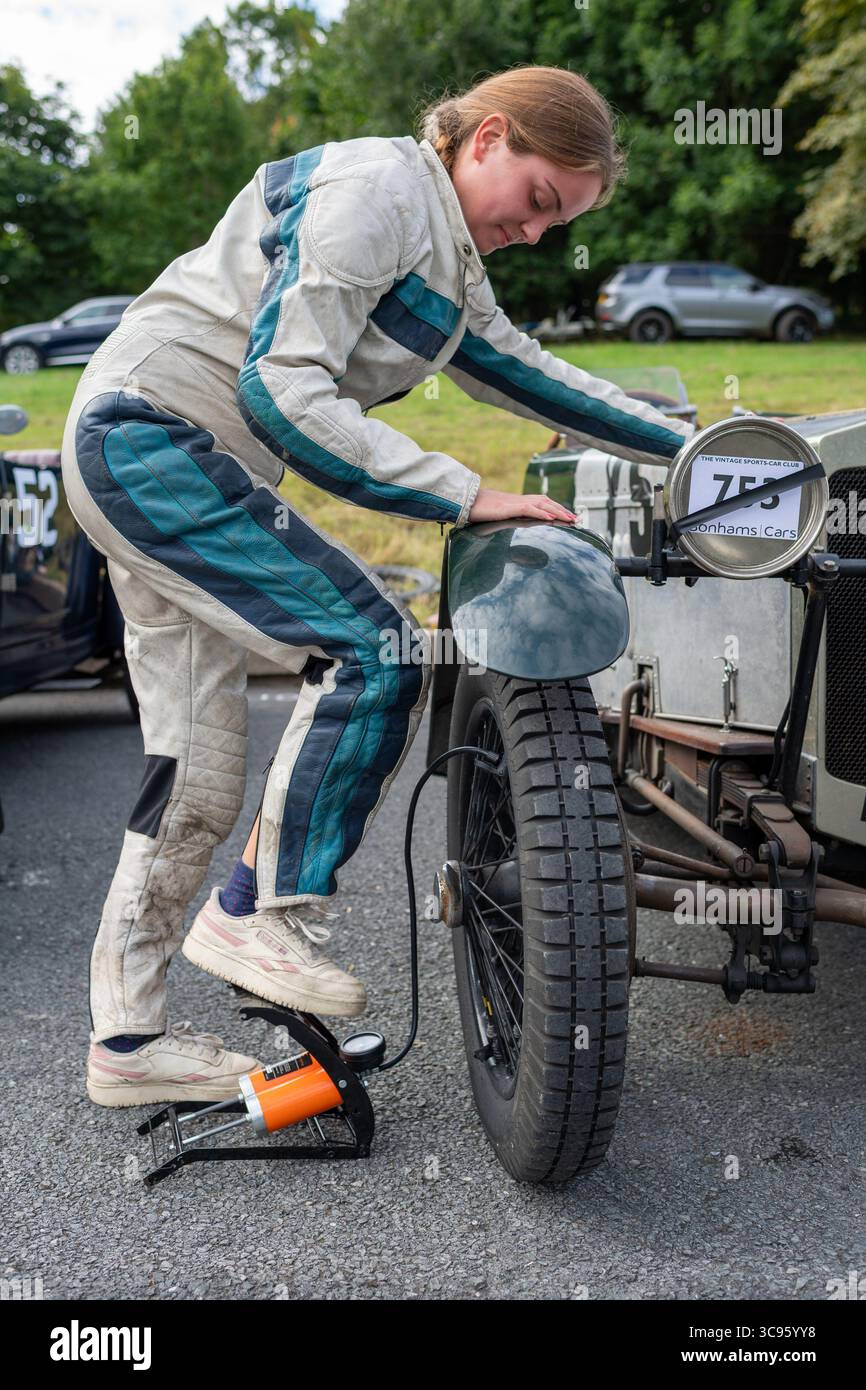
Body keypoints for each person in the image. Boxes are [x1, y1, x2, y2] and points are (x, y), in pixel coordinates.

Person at [60, 64, 695, 1108]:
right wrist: (463, 494)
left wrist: (701, 448)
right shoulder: (378, 194)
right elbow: (279, 385)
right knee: (376, 645)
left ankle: (127, 1047)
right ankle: (260, 917)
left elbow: (530, 372)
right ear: (486, 137)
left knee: (197, 775)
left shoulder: (443, 251)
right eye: (538, 202)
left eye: (557, 223)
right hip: (152, 441)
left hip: (161, 459)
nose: (536, 233)